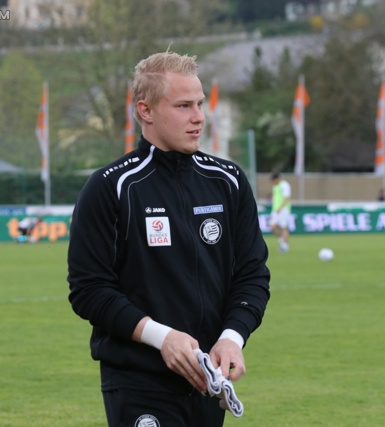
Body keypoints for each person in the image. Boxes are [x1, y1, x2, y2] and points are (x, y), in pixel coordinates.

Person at [67, 50, 271, 427]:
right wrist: (163, 338)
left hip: (208, 380)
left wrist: (232, 337)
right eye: (182, 106)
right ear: (146, 111)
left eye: (199, 104)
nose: (198, 117)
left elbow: (252, 274)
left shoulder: (228, 181)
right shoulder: (110, 187)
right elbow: (89, 290)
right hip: (138, 382)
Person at [269, 172, 291, 252]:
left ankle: (284, 246)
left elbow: (287, 197)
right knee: (273, 226)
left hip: (283, 209)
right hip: (275, 209)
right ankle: (283, 243)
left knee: (283, 227)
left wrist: (281, 207)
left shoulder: (284, 185)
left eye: (273, 180)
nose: (272, 182)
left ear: (277, 179)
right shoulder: (275, 186)